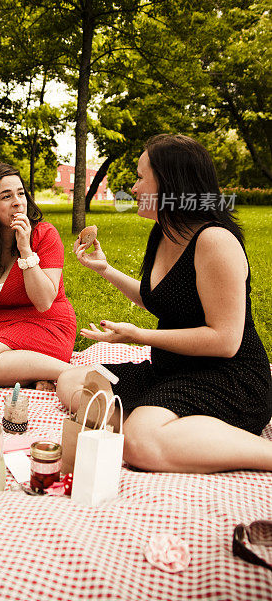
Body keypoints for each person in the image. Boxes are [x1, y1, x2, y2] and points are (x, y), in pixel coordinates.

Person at [57, 134, 272, 473]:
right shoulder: (164, 232)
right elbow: (161, 301)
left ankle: (259, 451)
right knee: (73, 382)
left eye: (142, 176)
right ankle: (171, 425)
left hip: (228, 379)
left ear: (170, 183)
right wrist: (105, 269)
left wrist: (139, 336)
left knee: (139, 441)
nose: (135, 187)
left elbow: (225, 341)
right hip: (169, 372)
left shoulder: (214, 241)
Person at [0, 163, 77, 387]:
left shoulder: (45, 235)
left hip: (47, 325)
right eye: (6, 196)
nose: (18, 202)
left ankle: (76, 372)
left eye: (21, 193)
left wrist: (25, 249)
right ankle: (30, 377)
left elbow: (43, 302)